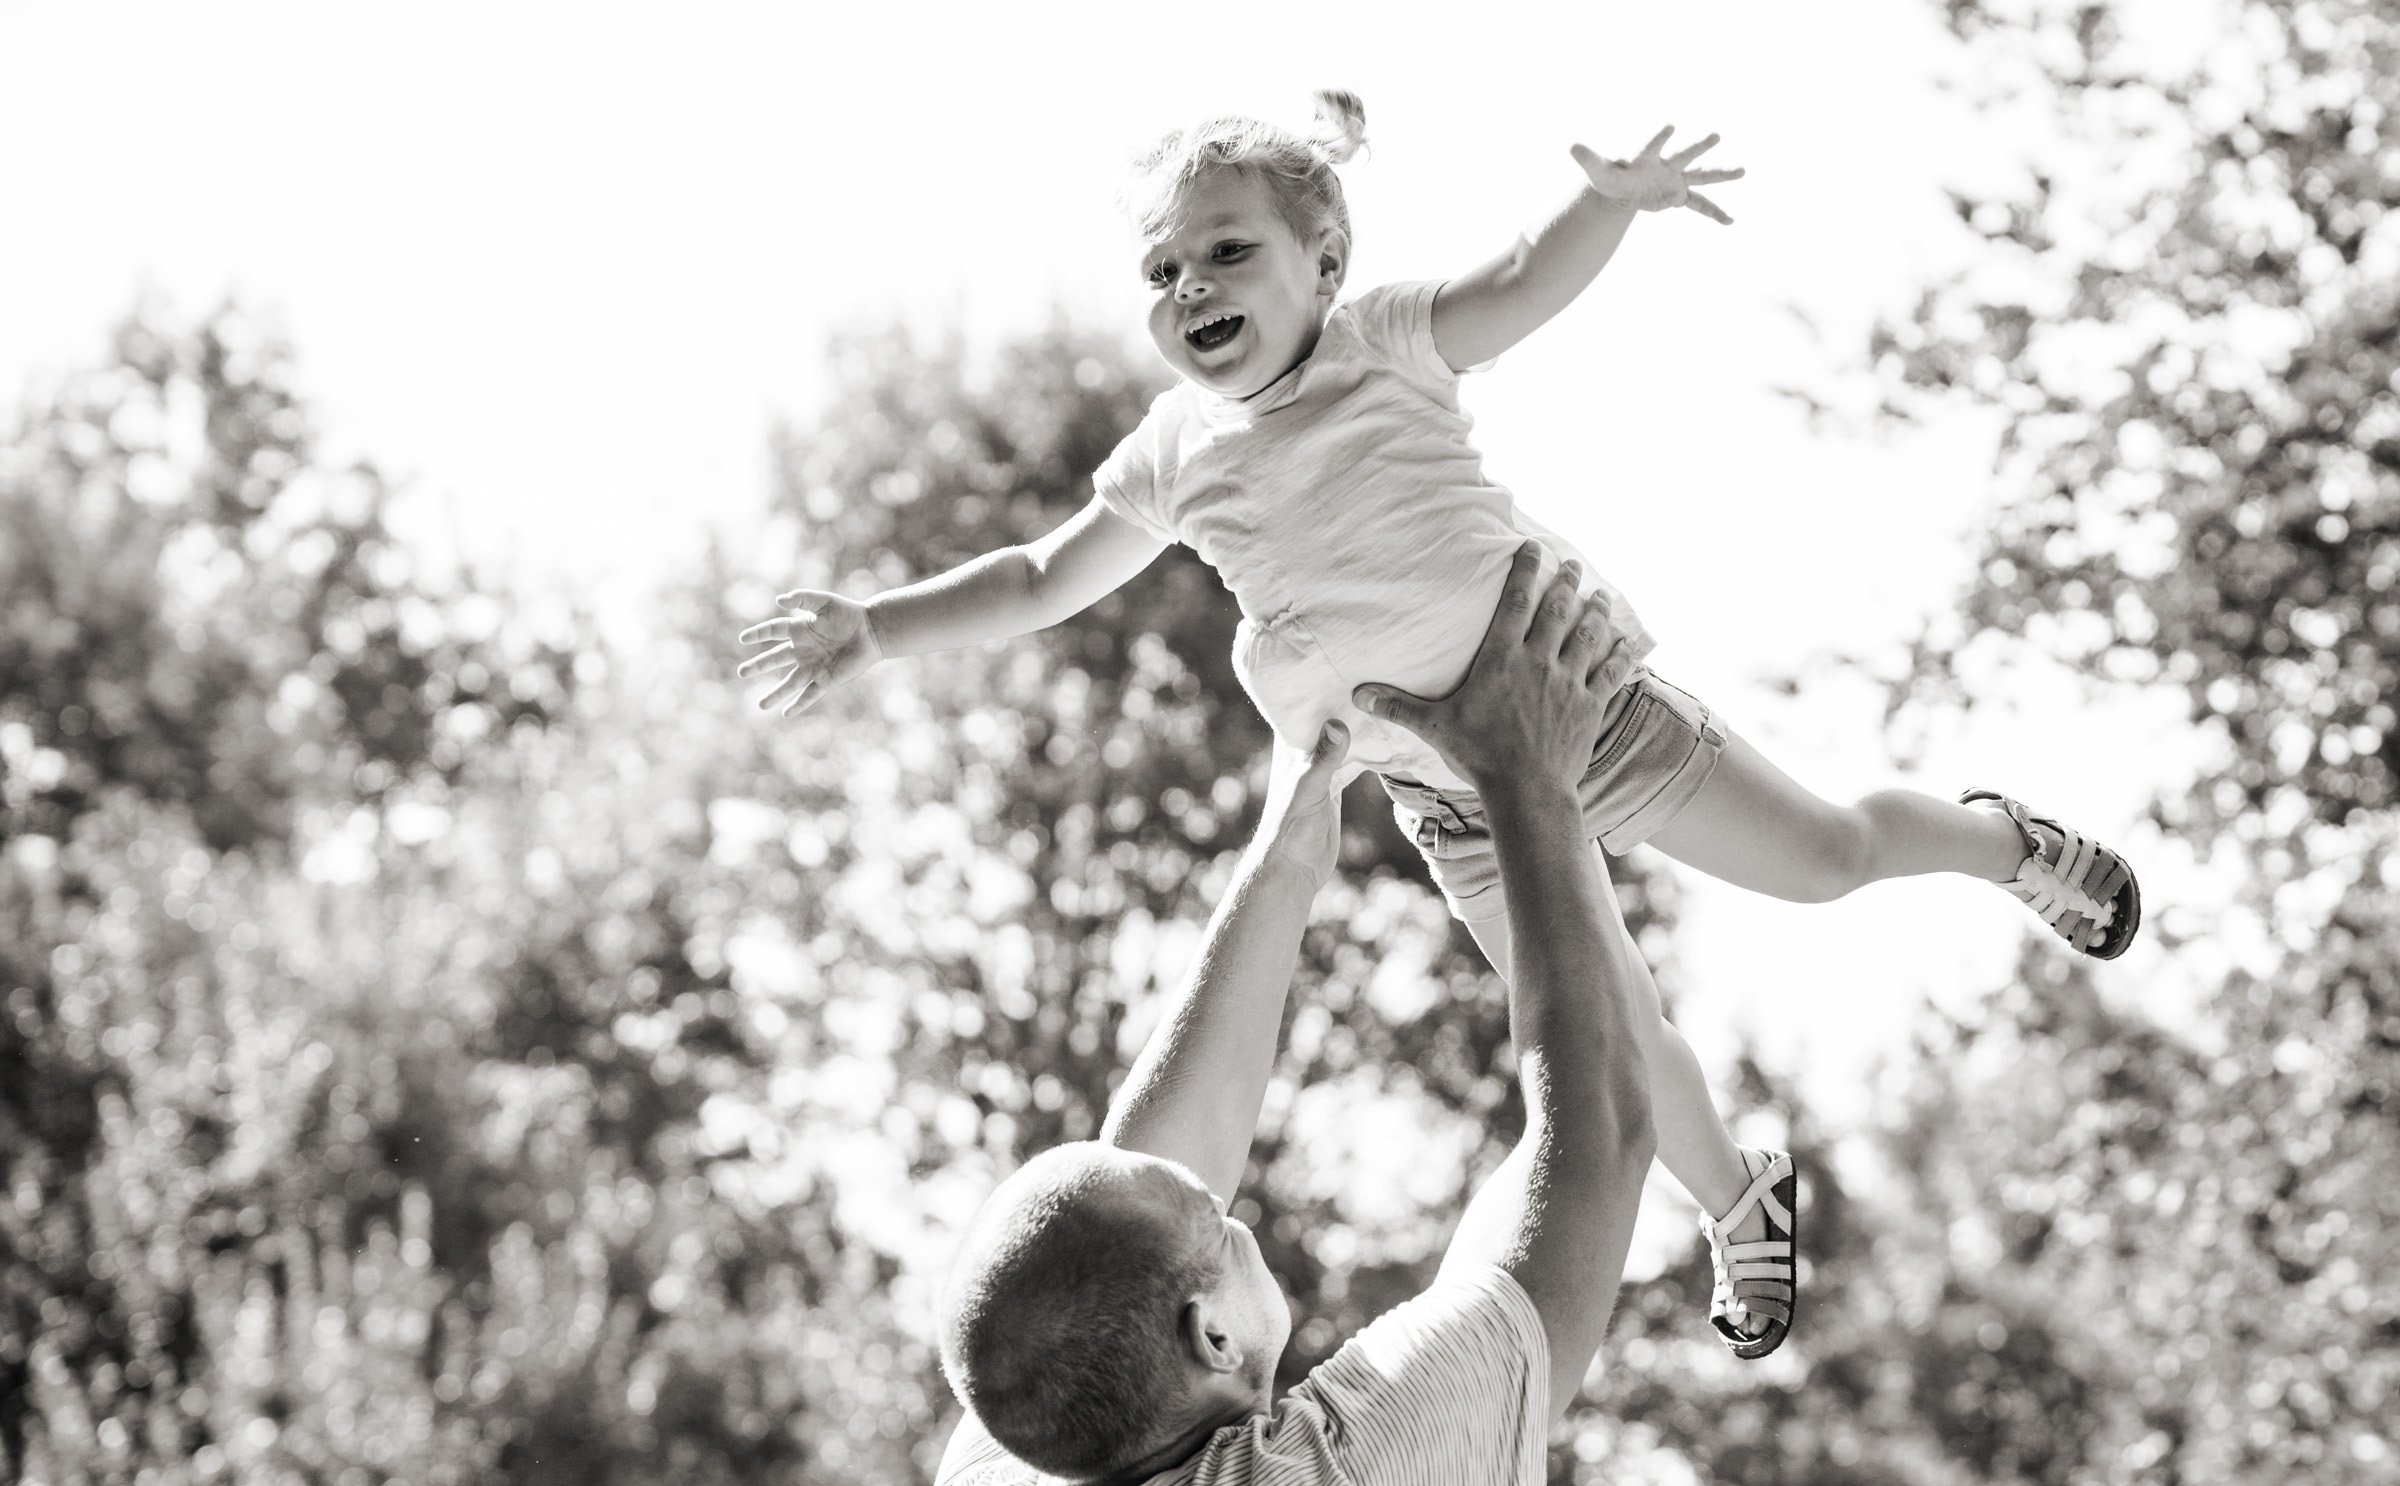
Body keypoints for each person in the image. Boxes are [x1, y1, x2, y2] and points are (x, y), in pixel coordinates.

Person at [739, 93, 2140, 1357]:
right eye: (1163, 273)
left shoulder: (1387, 346)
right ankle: (1738, 1198)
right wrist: (879, 623)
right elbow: (1043, 578)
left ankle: (1995, 841)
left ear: (1324, 261)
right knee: (1604, 1036)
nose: (1190, 291)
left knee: (1826, 860)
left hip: (1583, 710)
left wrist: (1604, 203)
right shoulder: (1173, 453)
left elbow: (1519, 285)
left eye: (1228, 254)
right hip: (1450, 795)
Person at [919, 547, 1660, 1486]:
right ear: (1212, 1332)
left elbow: (1119, 1221)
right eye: (1217, 1223)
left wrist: (1285, 855)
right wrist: (1527, 775)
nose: (1236, 1211)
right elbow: (1600, 1134)